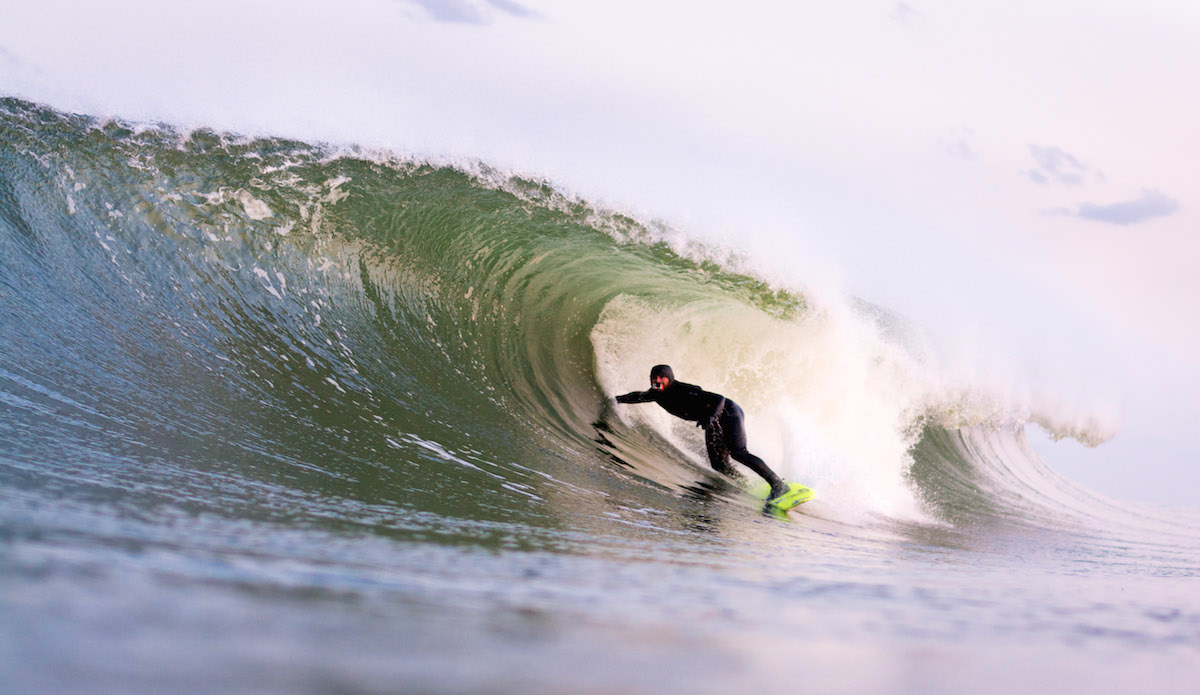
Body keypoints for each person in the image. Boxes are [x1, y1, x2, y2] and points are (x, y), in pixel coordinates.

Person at [614, 364, 788, 500]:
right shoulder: (657, 394)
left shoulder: (683, 390)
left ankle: (778, 485)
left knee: (739, 453)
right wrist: (616, 400)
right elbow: (639, 396)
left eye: (662, 378)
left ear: (670, 379)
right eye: (654, 377)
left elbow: (719, 399)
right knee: (719, 464)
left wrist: (711, 415)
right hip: (712, 421)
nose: (657, 381)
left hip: (728, 413)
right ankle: (745, 483)